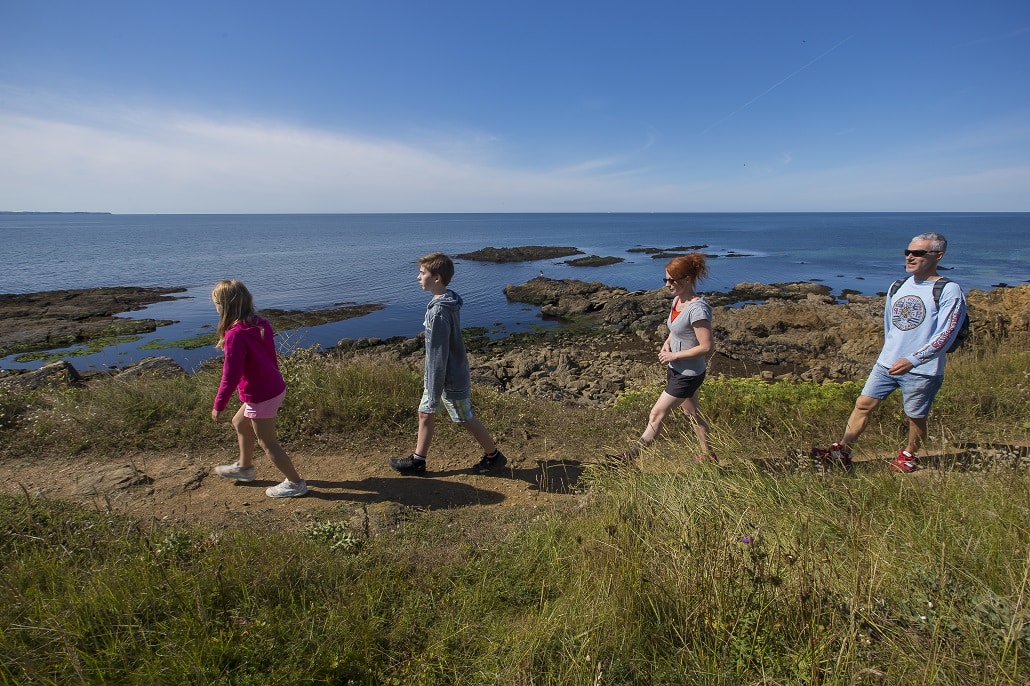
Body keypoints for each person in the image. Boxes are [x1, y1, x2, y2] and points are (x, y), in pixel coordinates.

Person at [824, 232, 967, 472]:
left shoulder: (949, 290)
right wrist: (888, 352)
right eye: (908, 252)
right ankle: (844, 450)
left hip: (923, 369)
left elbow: (947, 333)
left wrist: (913, 359)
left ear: (938, 256)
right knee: (863, 404)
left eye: (919, 253)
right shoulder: (898, 285)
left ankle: (909, 454)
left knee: (915, 416)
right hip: (887, 364)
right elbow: (889, 325)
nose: (910, 257)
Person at [389, 252, 506, 476]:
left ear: (437, 278)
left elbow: (438, 354)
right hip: (443, 376)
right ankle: (418, 460)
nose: (417, 277)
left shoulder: (440, 312)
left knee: (465, 418)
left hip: (448, 378)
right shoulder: (446, 299)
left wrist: (433, 389)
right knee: (425, 413)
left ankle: (494, 457)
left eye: (422, 273)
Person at [210, 279, 308, 497]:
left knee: (268, 443)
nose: (215, 307)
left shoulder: (235, 334)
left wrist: (219, 404)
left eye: (216, 303)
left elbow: (230, 375)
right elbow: (271, 357)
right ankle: (244, 469)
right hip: (272, 387)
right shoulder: (260, 323)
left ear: (225, 306)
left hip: (261, 394)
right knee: (239, 423)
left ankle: (296, 483)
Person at [616, 253, 716, 462]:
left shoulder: (698, 309)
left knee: (656, 414)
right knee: (692, 414)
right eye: (666, 279)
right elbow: (676, 329)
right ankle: (709, 455)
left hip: (688, 374)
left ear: (687, 279)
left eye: (672, 280)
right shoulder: (678, 301)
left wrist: (674, 354)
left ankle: (629, 457)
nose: (667, 284)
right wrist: (667, 342)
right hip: (677, 369)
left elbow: (706, 346)